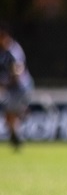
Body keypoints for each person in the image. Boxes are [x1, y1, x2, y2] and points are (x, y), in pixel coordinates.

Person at [0, 22, 33, 151]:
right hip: (11, 89)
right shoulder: (2, 51)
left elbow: (17, 72)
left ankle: (23, 112)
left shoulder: (13, 51)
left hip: (20, 88)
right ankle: (16, 137)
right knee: (9, 116)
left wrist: (4, 83)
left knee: (11, 113)